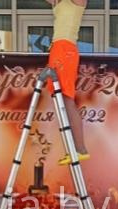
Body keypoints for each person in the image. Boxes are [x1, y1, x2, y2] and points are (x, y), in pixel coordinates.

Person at [45, 0, 90, 165]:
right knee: (60, 99)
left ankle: (80, 149)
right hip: (57, 48)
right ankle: (73, 149)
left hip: (66, 49)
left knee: (67, 98)